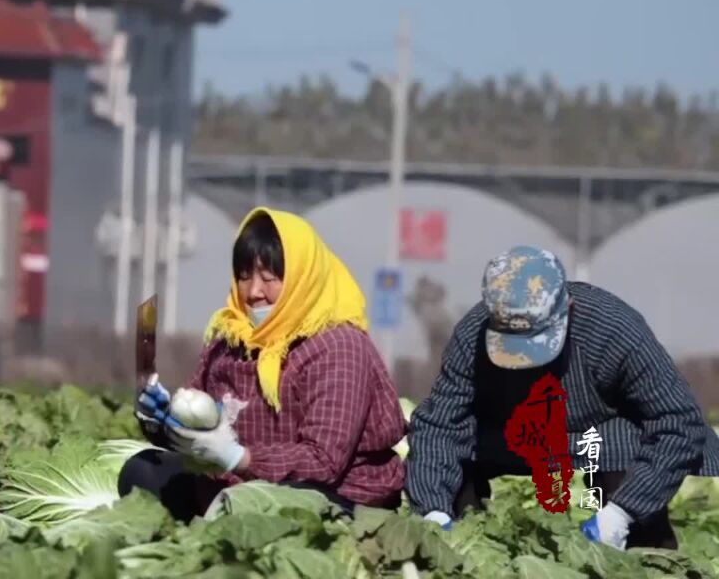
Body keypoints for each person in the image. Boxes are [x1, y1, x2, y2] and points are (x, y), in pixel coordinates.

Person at [405, 245, 719, 550]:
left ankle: (642, 547)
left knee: (632, 461)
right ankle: (466, 543)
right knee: (457, 448)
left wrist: (621, 514)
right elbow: (439, 425)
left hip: (602, 434)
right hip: (514, 434)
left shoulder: (613, 328)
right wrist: (432, 510)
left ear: (567, 308)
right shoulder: (471, 336)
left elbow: (679, 420)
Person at [123, 207, 407, 520]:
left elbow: (323, 461)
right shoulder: (229, 338)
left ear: (302, 277)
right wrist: (164, 421)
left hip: (329, 494)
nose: (254, 292)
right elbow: (199, 430)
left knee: (290, 501)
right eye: (244, 277)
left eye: (269, 278)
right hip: (235, 484)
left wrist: (239, 457)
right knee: (142, 471)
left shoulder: (338, 346)